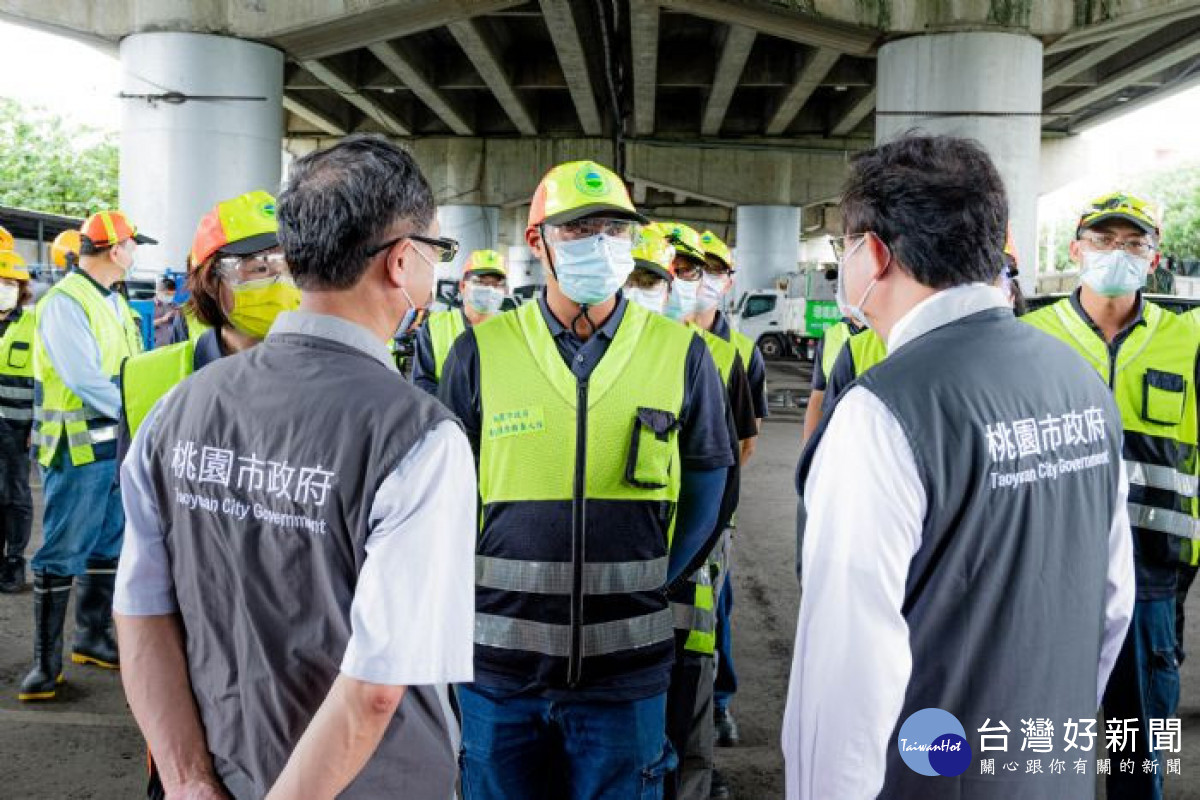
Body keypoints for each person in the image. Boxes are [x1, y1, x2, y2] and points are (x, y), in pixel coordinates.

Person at [114, 134, 476, 800]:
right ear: (402, 262)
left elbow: (140, 611)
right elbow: (374, 688)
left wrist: (190, 781)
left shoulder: (173, 412)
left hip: (218, 772)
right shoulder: (419, 438)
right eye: (437, 251)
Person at [785, 135, 1134, 800]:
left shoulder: (882, 412)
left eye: (845, 246)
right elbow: (1112, 605)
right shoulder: (1082, 384)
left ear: (876, 254)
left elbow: (846, 676)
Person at [439, 159, 734, 800]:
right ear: (537, 240)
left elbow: (711, 484)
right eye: (577, 230)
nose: (600, 244)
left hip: (626, 672)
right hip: (497, 670)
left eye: (612, 228)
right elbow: (440, 501)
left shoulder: (680, 354)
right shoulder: (481, 353)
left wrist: (658, 577)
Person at [1023, 191, 1198, 800]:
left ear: (1154, 260)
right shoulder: (1029, 337)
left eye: (1133, 243)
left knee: (1139, 745)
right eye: (1102, 240)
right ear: (1076, 250)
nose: (1116, 253)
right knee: (1041, 743)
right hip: (1043, 574)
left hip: (1152, 577)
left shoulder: (1188, 342)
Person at [629, 224, 752, 800]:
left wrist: (702, 534)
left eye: (680, 272)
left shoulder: (718, 354)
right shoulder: (610, 353)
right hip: (625, 561)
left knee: (692, 659)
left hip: (693, 547)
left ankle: (692, 775)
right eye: (660, 272)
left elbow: (730, 456)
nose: (673, 283)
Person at [18, 211, 151, 702]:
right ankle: (44, 665)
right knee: (62, 550)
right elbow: (84, 379)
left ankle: (91, 637)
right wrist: (138, 414)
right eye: (133, 246)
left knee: (108, 544)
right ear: (116, 250)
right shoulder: (64, 303)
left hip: (114, 445)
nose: (136, 254)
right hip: (77, 450)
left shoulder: (112, 301)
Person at [119, 190, 297, 446]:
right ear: (212, 281)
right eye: (260, 268)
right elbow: (133, 483)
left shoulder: (333, 377)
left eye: (293, 268)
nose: (282, 284)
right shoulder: (149, 379)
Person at [411, 248, 506, 396]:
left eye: (496, 284)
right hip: (449, 415)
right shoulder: (435, 327)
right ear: (462, 286)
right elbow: (422, 383)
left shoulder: (513, 327)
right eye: (481, 282)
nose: (490, 290)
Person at [0, 250, 36, 594]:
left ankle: (14, 563)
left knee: (14, 497)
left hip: (17, 428)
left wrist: (36, 426)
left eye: (10, 283)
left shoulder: (33, 323)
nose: (3, 288)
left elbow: (46, 378)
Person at [152, 277, 180, 348]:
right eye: (167, 294)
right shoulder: (148, 305)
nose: (170, 297)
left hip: (171, 346)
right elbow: (143, 326)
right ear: (159, 291)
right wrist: (162, 319)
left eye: (172, 295)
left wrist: (179, 316)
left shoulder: (175, 306)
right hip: (154, 348)